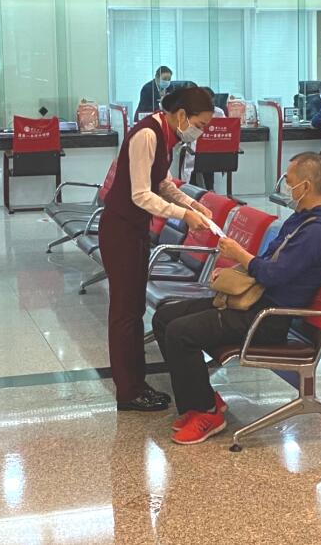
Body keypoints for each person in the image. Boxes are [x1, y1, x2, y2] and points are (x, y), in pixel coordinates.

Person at [152, 152, 321, 444]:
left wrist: (239, 255)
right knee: (164, 317)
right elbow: (268, 262)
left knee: (180, 332)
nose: (285, 186)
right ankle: (203, 398)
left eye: (289, 181)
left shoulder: (316, 232)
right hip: (255, 302)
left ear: (305, 186)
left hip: (269, 317)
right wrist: (237, 272)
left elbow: (274, 274)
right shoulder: (301, 220)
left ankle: (207, 413)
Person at [99, 87, 215, 412]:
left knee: (134, 309)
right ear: (182, 115)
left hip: (135, 230)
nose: (200, 132)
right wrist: (184, 215)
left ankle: (137, 384)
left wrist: (193, 203)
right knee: (125, 313)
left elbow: (162, 183)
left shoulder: (165, 134)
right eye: (200, 125)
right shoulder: (147, 135)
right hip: (121, 229)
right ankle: (129, 391)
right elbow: (140, 194)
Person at [183, 87, 225, 189]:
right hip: (194, 147)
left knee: (209, 157)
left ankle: (210, 189)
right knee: (193, 162)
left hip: (212, 147)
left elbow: (226, 129)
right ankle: (192, 189)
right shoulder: (190, 112)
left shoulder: (218, 112)